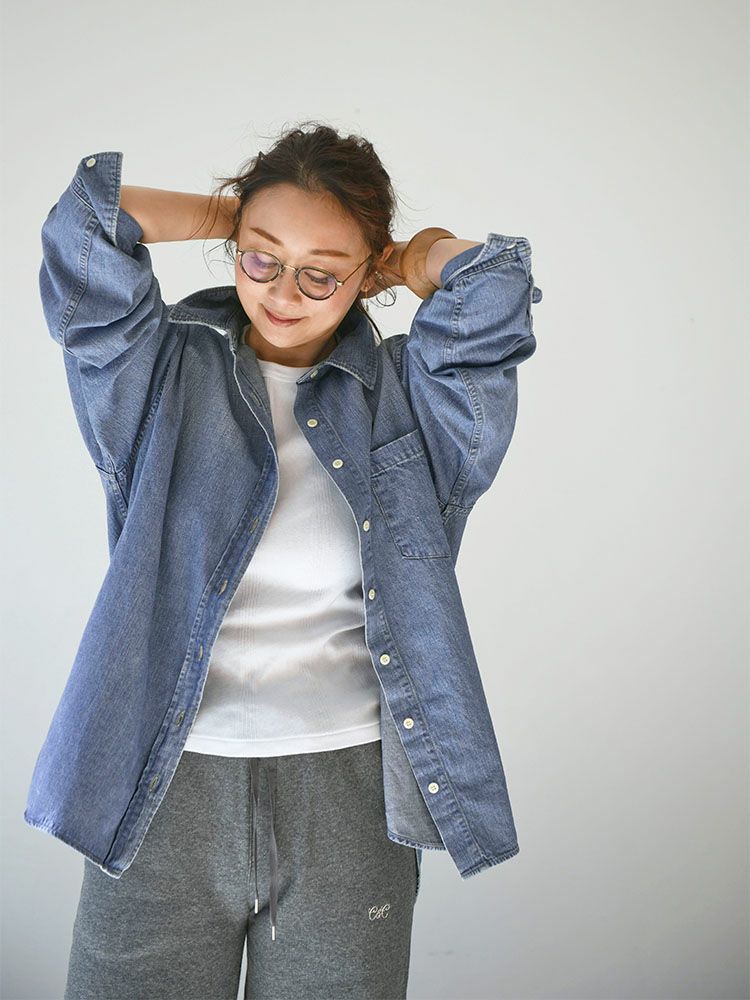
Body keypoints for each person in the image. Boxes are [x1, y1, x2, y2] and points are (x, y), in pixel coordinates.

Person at [25, 121, 542, 999]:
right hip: (161, 788)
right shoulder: (155, 374)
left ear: (365, 276)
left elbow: (494, 293)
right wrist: (234, 215)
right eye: (262, 258)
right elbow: (83, 228)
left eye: (321, 273)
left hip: (348, 798)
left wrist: (415, 256)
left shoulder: (409, 402)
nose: (283, 292)